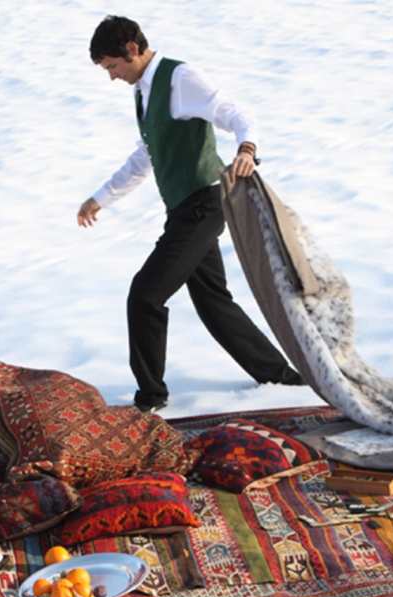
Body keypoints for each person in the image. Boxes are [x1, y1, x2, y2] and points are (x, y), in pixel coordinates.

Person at [78, 15, 302, 413]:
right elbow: (147, 155)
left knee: (145, 295)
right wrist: (101, 198)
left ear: (132, 49)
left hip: (204, 204)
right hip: (184, 210)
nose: (112, 77)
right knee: (213, 302)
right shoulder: (143, 92)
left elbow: (236, 114)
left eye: (112, 66)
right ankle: (280, 377)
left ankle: (150, 398)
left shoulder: (180, 78)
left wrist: (247, 149)